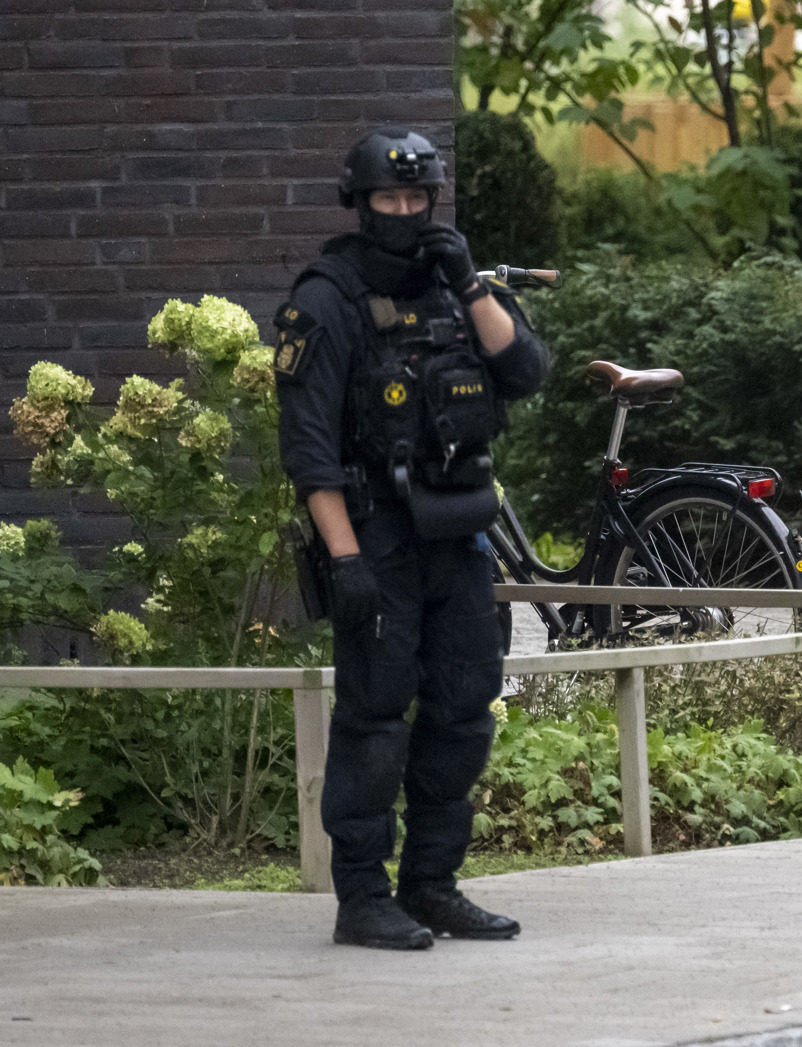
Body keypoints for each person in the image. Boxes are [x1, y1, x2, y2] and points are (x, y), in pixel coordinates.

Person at [274, 126, 549, 949]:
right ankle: (362, 895)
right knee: (375, 719)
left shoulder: (456, 288)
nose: (403, 212)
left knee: (464, 708)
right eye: (388, 199)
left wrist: (468, 283)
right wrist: (344, 559)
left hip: (457, 533)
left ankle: (432, 884)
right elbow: (310, 450)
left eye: (417, 197)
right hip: (375, 537)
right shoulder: (326, 298)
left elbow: (525, 371)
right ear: (360, 206)